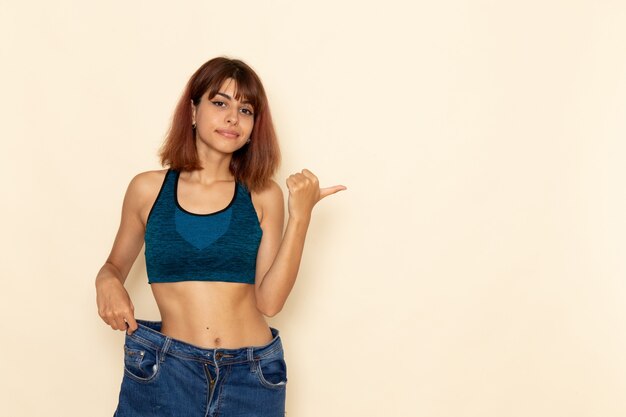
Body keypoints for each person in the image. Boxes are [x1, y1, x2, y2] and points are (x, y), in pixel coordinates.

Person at [94, 56, 346, 417]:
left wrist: (301, 216)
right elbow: (114, 266)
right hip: (167, 372)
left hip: (252, 375)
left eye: (246, 109)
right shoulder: (148, 190)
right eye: (219, 103)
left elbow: (270, 302)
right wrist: (106, 280)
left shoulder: (262, 194)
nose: (233, 117)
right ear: (193, 111)